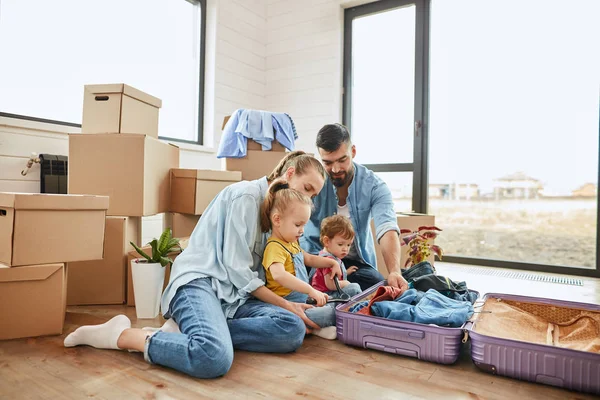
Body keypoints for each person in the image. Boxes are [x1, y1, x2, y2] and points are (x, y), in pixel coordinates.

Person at [64, 151, 327, 379]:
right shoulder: (246, 196)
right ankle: (122, 336)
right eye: (307, 188)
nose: (309, 198)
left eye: (313, 195)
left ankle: (191, 330)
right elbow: (238, 272)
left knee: (291, 330)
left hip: (234, 297)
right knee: (213, 357)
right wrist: (286, 303)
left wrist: (297, 302)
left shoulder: (280, 211)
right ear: (290, 173)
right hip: (201, 283)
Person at [300, 123, 410, 292]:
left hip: (354, 263)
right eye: (327, 163)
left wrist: (394, 271)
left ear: (353, 152)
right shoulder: (313, 183)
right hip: (313, 257)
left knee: (376, 285)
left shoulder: (374, 186)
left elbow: (387, 228)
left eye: (342, 160)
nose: (335, 169)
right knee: (298, 284)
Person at [260, 181, 361, 340]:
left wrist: (332, 263)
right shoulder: (274, 247)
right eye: (298, 225)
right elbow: (279, 275)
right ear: (277, 220)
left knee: (354, 288)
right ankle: (320, 322)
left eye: (304, 225)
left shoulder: (291, 243)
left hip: (305, 298)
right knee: (332, 309)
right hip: (291, 305)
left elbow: (308, 259)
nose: (302, 231)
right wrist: (310, 290)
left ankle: (329, 317)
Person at [310, 215, 361, 297]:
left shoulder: (327, 255)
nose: (345, 249)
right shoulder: (328, 260)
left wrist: (346, 272)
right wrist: (346, 283)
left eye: (348, 245)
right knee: (355, 288)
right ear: (327, 241)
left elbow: (333, 276)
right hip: (326, 295)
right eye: (340, 244)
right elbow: (331, 285)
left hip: (327, 292)